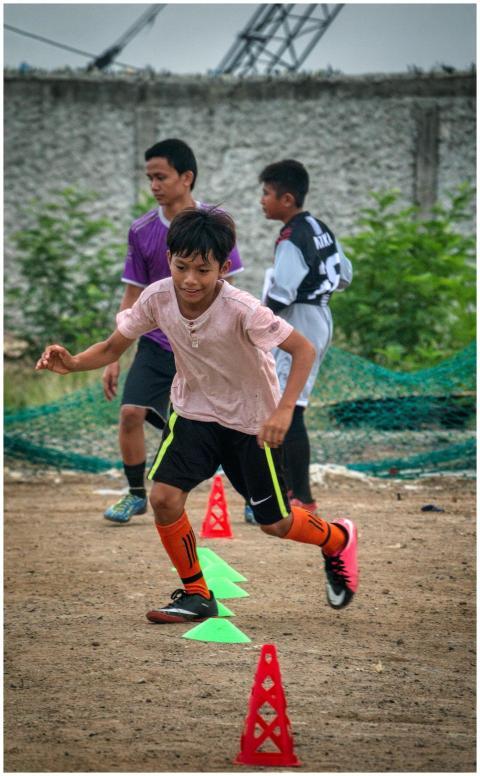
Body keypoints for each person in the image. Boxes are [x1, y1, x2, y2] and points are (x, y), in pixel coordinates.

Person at [36, 207, 359, 620]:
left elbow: (303, 350)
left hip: (251, 423)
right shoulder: (156, 297)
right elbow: (113, 347)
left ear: (223, 268)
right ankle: (197, 594)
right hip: (194, 413)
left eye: (202, 270)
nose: (190, 279)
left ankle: (336, 538)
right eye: (181, 266)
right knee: (164, 498)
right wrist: (73, 362)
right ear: (169, 259)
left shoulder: (243, 309)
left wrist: (282, 413)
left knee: (274, 523)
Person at [102, 138, 244, 524]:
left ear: (187, 178)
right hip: (156, 343)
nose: (154, 185)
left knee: (230, 424)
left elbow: (233, 290)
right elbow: (132, 292)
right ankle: (135, 494)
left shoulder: (215, 222)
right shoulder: (142, 230)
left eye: (161, 176)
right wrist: (113, 354)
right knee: (131, 412)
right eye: (149, 178)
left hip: (205, 347)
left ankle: (254, 491)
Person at [244, 159, 352, 525]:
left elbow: (283, 290)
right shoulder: (320, 228)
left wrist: (255, 323)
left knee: (291, 406)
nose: (262, 201)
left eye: (266, 194)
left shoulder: (291, 237)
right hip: (320, 314)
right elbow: (344, 275)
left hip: (299, 319)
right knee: (286, 401)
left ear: (286, 199)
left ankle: (300, 497)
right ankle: (289, 490)